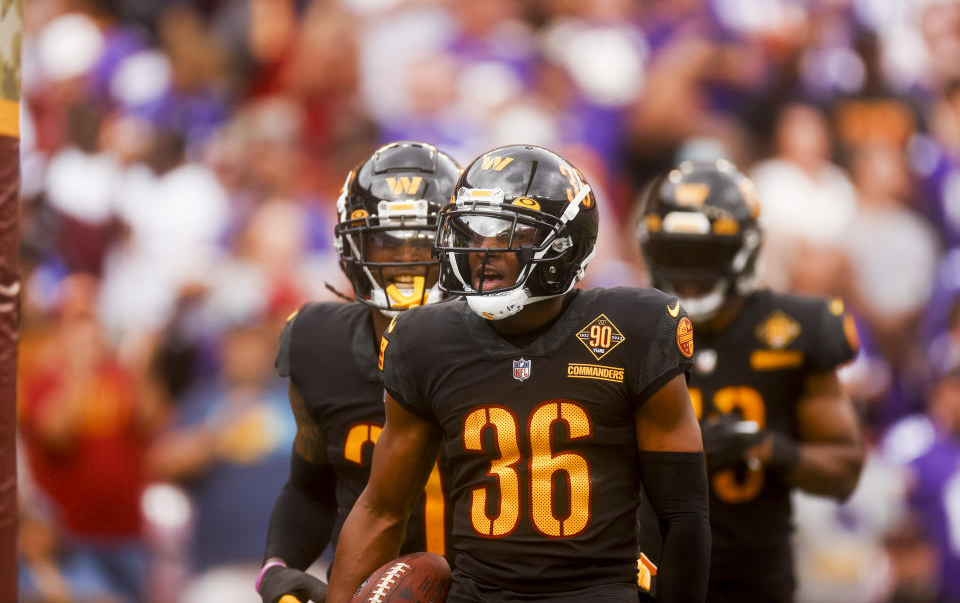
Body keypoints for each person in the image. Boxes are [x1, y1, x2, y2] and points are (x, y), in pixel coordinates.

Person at [326, 144, 710, 603]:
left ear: (563, 245)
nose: (483, 251)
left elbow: (684, 513)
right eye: (474, 231)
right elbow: (380, 509)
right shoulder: (424, 340)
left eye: (508, 232)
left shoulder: (635, 328)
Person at [638, 159, 865, 602]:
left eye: (703, 255)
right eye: (675, 253)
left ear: (746, 249)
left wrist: (767, 449)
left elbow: (845, 470)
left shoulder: (796, 329)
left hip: (754, 583)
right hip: (645, 580)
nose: (687, 272)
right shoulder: (629, 327)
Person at [255, 141, 462, 603]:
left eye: (422, 239)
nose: (406, 256)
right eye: (387, 239)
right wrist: (277, 568)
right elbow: (311, 488)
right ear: (350, 246)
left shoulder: (504, 343)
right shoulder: (316, 342)